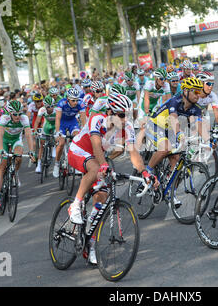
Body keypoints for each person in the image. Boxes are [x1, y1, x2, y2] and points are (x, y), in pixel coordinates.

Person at [67, 92, 158, 264]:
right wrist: (104, 166)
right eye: (122, 115)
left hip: (96, 156)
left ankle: (90, 242)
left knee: (101, 198)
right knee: (95, 168)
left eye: (128, 115)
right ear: (110, 112)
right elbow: (95, 145)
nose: (125, 120)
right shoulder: (97, 119)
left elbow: (133, 152)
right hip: (79, 150)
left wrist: (146, 173)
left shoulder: (127, 127)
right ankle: (75, 205)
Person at [145, 77, 204, 207]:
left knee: (177, 160)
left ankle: (170, 193)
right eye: (195, 91)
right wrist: (179, 135)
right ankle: (147, 172)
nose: (198, 95)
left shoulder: (196, 108)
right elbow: (173, 119)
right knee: (165, 148)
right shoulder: (175, 101)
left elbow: (199, 126)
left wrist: (207, 140)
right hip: (155, 125)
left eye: (200, 92)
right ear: (186, 92)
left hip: (169, 131)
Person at [0, 100, 35, 209]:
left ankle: (15, 173)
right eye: (15, 114)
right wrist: (1, 150)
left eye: (19, 113)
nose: (17, 116)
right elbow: (0, 134)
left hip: (16, 140)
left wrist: (31, 151)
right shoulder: (5, 118)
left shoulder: (24, 119)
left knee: (19, 156)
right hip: (4, 140)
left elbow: (28, 135)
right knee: (2, 166)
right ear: (10, 113)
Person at [53, 88, 85, 178]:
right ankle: (57, 163)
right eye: (73, 100)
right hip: (62, 123)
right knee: (61, 143)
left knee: (77, 140)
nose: (75, 102)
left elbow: (83, 120)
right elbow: (58, 118)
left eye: (77, 100)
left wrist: (83, 131)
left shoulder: (81, 103)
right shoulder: (61, 103)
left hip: (72, 122)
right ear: (68, 99)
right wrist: (57, 131)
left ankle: (77, 165)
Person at [34, 96, 56, 173]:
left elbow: (61, 121)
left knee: (56, 137)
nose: (50, 108)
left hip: (55, 126)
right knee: (42, 144)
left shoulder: (57, 110)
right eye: (48, 107)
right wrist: (35, 131)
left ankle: (54, 148)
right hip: (46, 126)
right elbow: (37, 121)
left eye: (52, 106)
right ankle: (39, 164)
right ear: (45, 106)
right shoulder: (42, 110)